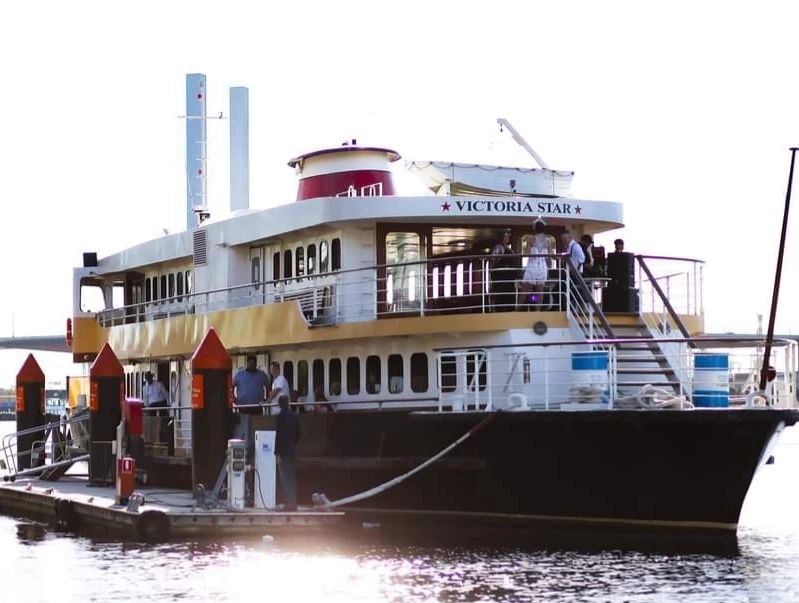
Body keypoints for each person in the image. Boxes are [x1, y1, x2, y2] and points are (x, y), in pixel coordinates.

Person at [517, 220, 552, 309]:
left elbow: (526, 254)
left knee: (524, 289)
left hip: (532, 266)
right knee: (539, 290)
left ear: (535, 229)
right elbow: (551, 255)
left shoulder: (531, 239)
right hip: (542, 266)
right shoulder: (548, 241)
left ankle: (518, 309)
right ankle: (537, 311)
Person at [275, 395, 300, 510]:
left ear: (280, 405)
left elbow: (279, 436)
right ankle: (293, 503)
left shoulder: (280, 417)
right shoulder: (295, 416)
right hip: (292, 450)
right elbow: (297, 435)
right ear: (288, 403)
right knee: (292, 478)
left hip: (283, 452)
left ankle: (288, 504)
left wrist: (277, 453)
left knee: (285, 478)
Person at [490, 229, 516, 311]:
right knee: (502, 300)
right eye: (507, 234)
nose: (509, 236)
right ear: (502, 237)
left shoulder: (507, 248)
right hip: (502, 280)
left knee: (508, 299)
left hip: (508, 280)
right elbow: (493, 259)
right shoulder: (499, 247)